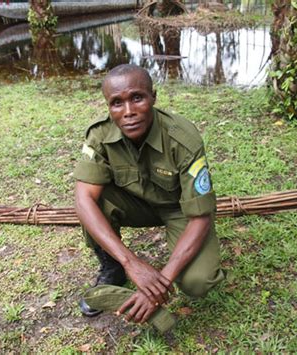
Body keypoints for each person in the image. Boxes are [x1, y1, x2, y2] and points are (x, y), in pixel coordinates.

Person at [74, 64, 225, 324]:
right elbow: (83, 199)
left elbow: (201, 217)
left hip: (180, 209)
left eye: (137, 98)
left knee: (198, 282)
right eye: (117, 103)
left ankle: (176, 271)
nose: (129, 112)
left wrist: (160, 282)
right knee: (93, 201)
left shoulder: (182, 138)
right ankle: (113, 269)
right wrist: (130, 262)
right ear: (108, 107)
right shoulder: (100, 136)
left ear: (153, 97)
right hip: (133, 205)